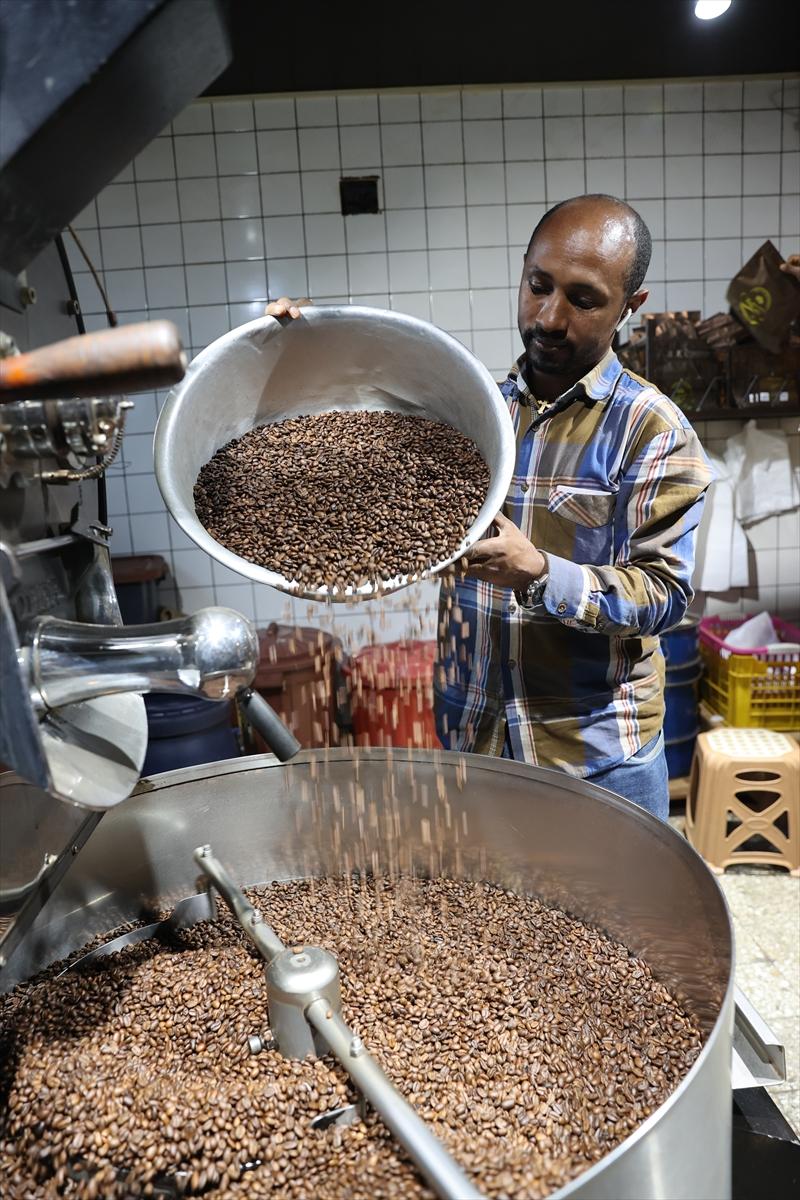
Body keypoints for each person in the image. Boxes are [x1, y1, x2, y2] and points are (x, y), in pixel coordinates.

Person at [434, 194, 712, 820]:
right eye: (539, 286)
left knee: (617, 921)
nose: (550, 317)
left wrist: (539, 573)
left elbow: (665, 598)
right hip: (471, 741)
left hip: (594, 758)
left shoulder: (653, 430)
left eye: (584, 300)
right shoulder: (478, 415)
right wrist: (316, 343)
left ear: (629, 309)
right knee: (482, 920)